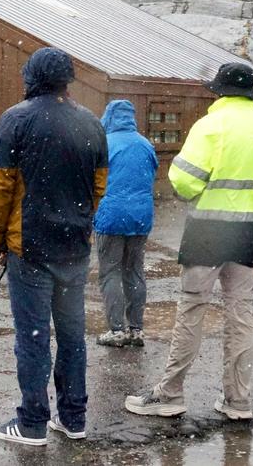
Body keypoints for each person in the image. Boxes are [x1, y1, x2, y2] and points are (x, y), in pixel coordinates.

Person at [125, 63, 253, 422]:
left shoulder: (210, 126)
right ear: (251, 94)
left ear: (218, 92)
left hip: (207, 232)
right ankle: (238, 401)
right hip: (250, 233)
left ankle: (170, 394)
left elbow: (184, 181)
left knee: (192, 309)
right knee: (240, 315)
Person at [0, 47, 108, 446]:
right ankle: (73, 418)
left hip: (31, 248)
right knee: (72, 336)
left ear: (31, 77)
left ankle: (33, 423)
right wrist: (79, 221)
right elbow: (100, 185)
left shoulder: (15, 119)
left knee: (34, 337)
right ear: (67, 79)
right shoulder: (91, 123)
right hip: (74, 247)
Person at [93, 100, 159, 348]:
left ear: (109, 116)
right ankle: (136, 329)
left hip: (111, 215)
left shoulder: (104, 144)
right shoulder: (145, 144)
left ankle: (116, 330)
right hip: (141, 216)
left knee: (110, 272)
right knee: (134, 270)